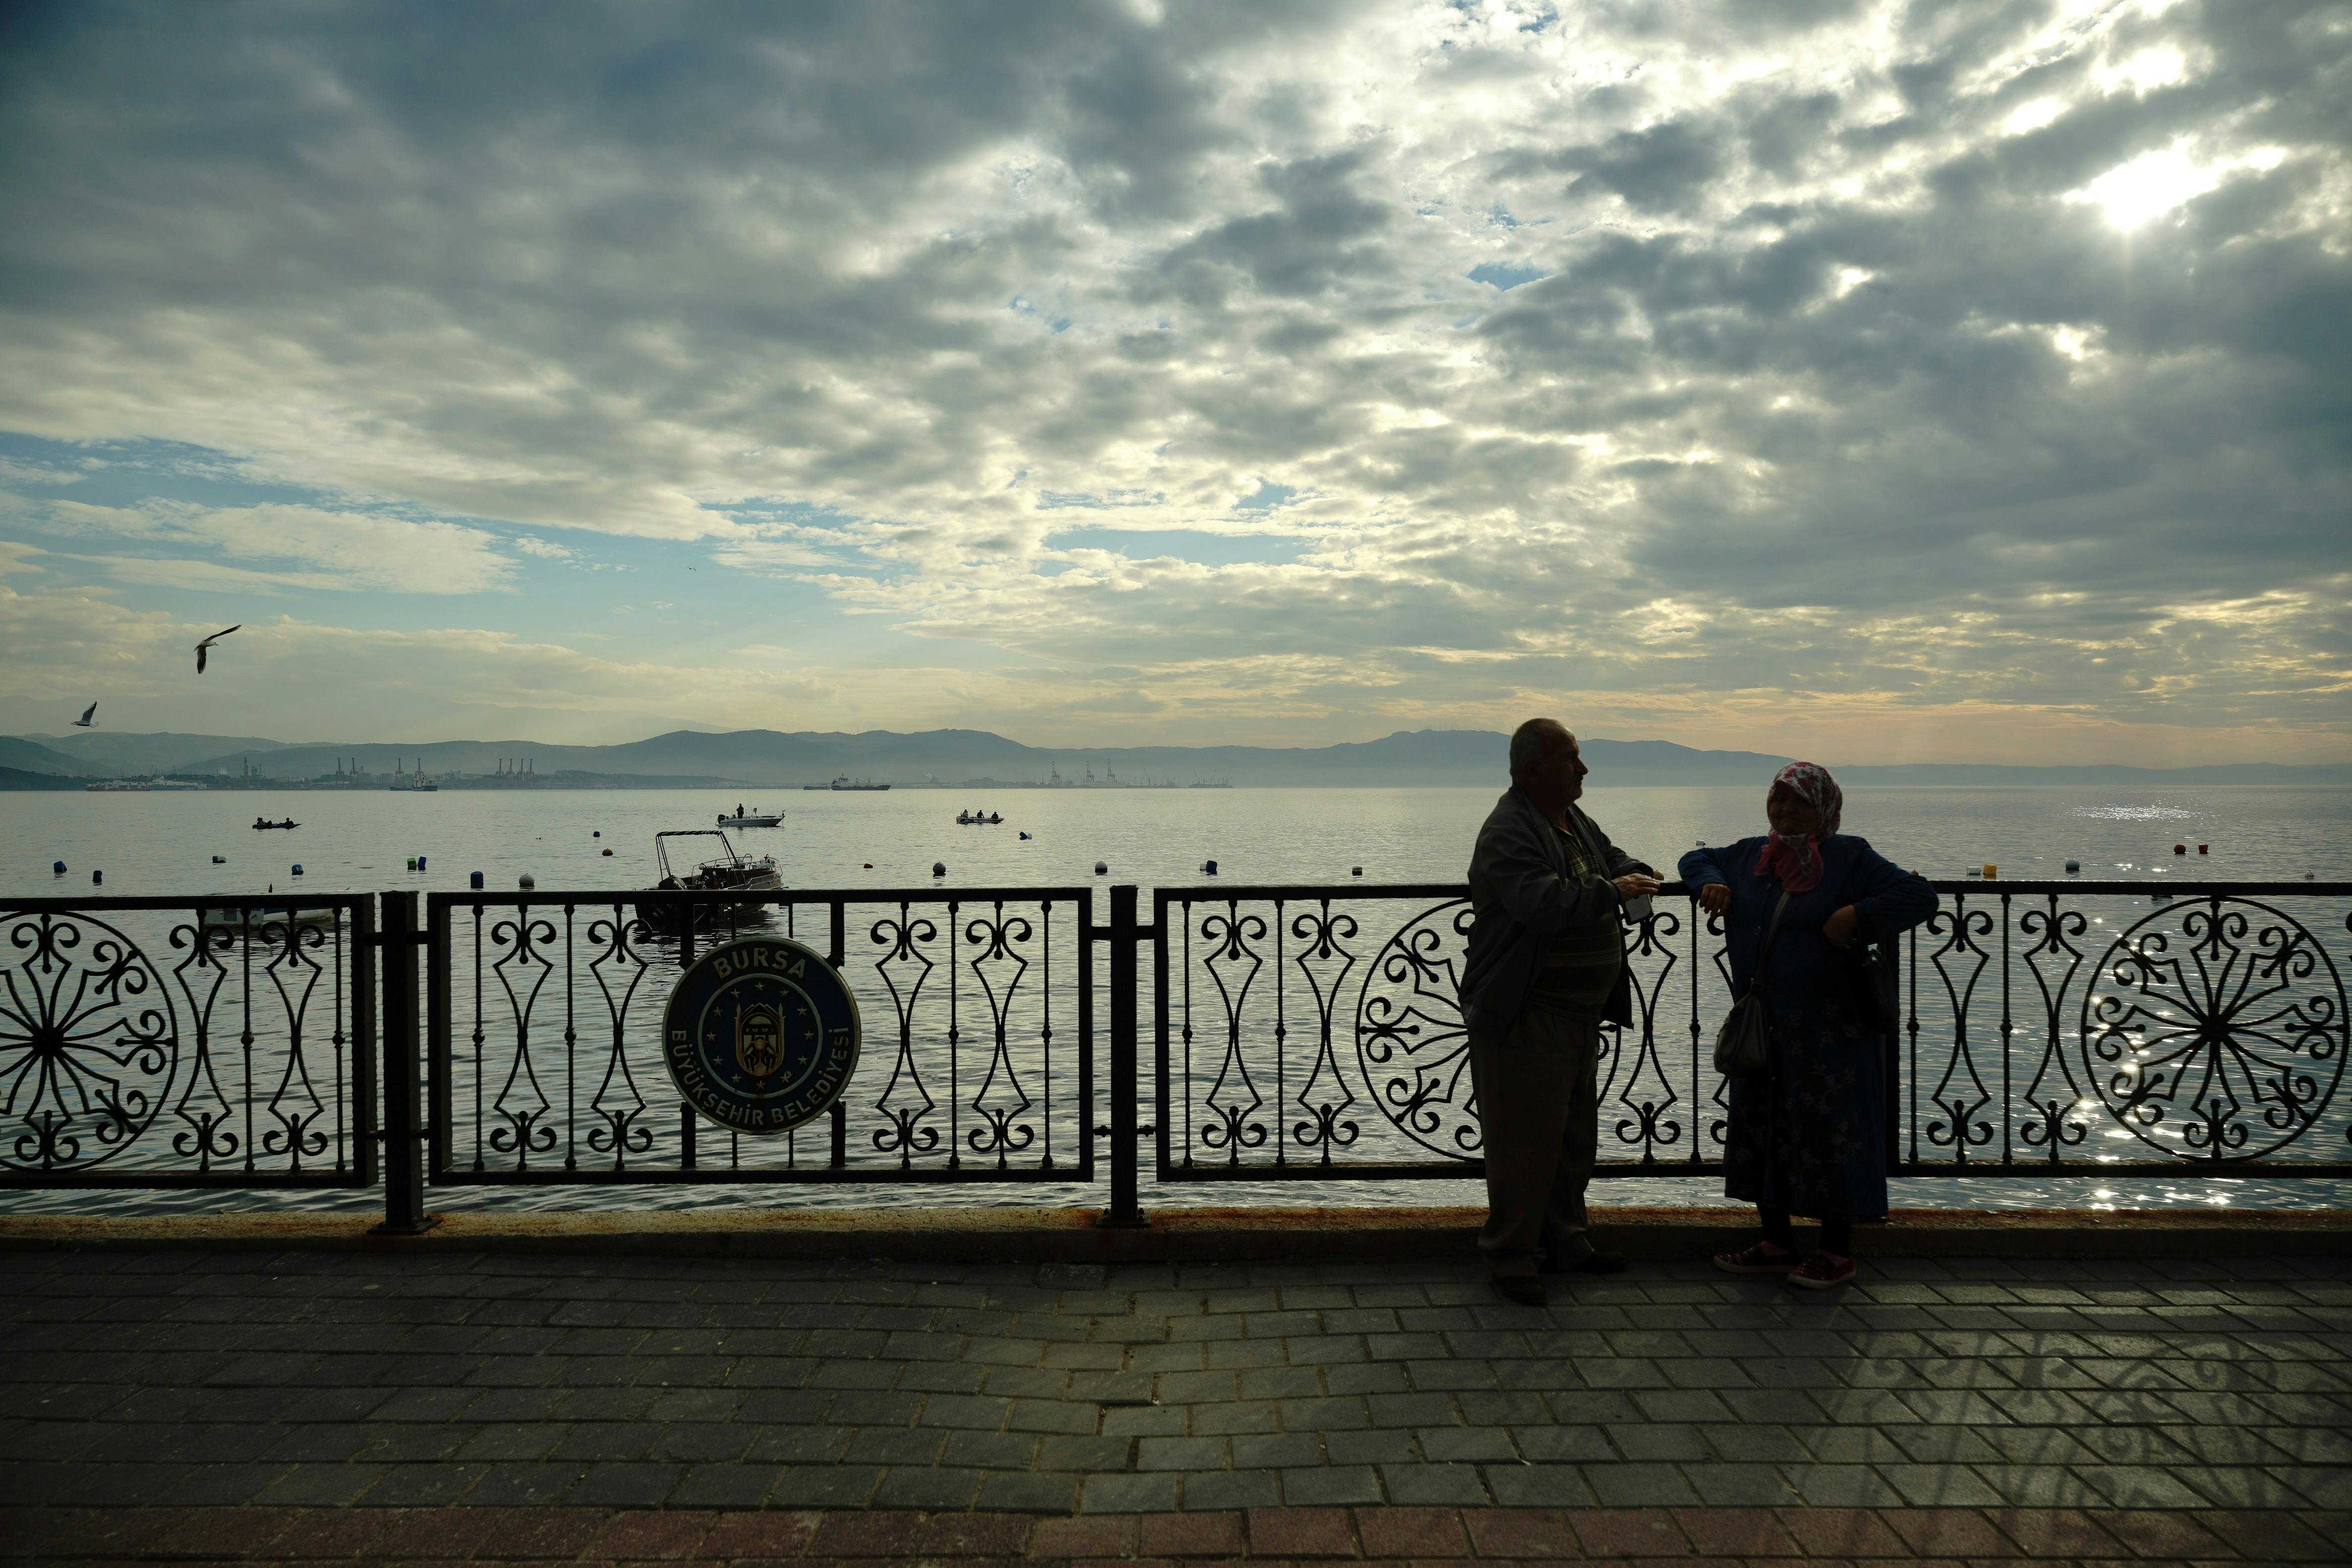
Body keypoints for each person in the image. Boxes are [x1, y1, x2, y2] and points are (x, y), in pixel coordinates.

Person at [1680, 763, 1936, 1288]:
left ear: (1823, 808)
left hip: (1832, 1030)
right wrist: (1712, 882)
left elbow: (1919, 897)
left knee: (1833, 1131)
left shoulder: (1850, 858)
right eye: (1779, 799)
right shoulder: (1751, 855)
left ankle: (1836, 1251)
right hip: (1766, 1025)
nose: (1786, 810)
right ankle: (1776, 1243)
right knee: (1763, 1126)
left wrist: (1857, 915)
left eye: (1799, 802)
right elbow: (1695, 858)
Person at [1460, 719, 1661, 1305]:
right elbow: (1540, 902)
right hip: (1527, 1012)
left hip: (1576, 1014)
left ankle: (1568, 1243)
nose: (1583, 768)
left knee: (1572, 1140)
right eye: (1571, 758)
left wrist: (1634, 871)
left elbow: (1609, 857)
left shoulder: (1571, 819)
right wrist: (1616, 892)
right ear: (1533, 770)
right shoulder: (1509, 830)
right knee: (1524, 1144)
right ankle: (1511, 1256)